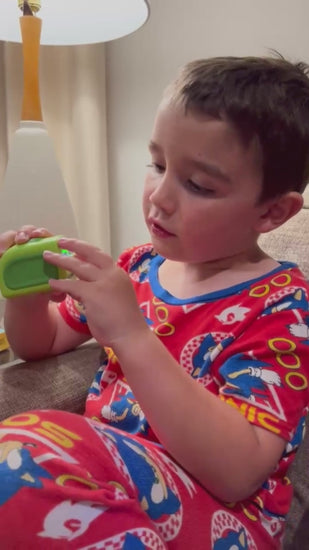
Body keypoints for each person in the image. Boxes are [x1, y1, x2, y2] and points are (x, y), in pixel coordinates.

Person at [0, 55, 309, 549]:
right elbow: (43, 343)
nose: (158, 198)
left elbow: (238, 473)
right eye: (157, 164)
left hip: (218, 516)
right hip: (107, 485)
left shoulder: (283, 307)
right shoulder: (139, 266)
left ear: (274, 211)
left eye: (198, 185)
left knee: (23, 451)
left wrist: (130, 335)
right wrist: (28, 297)